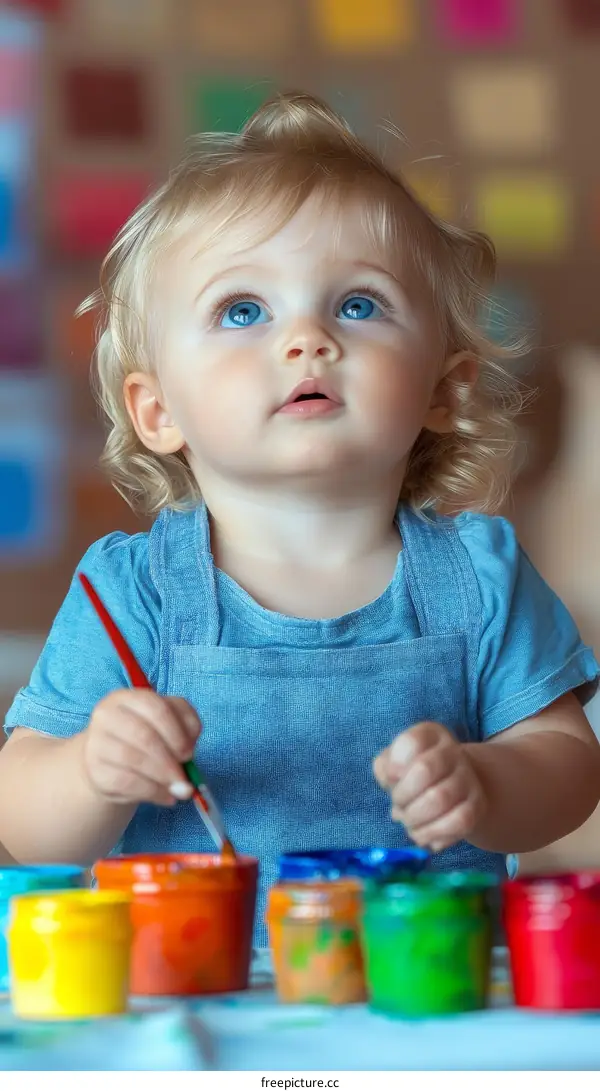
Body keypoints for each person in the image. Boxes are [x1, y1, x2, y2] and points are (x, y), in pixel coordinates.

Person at [1, 93, 598, 942]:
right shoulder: (129, 594)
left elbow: (572, 768)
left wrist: (488, 784)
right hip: (194, 1013)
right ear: (157, 408)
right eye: (243, 310)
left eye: (358, 304)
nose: (307, 338)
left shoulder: (479, 575)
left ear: (443, 387)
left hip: (423, 1004)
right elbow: (23, 821)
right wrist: (92, 770)